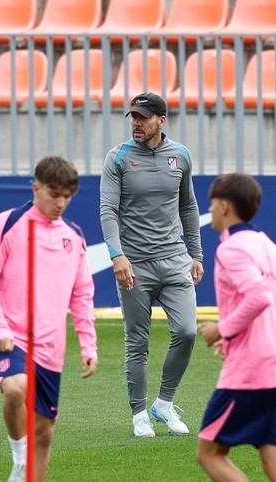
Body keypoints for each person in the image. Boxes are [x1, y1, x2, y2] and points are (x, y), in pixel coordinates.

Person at [0, 156, 99, 482]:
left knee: (43, 434)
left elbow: (82, 294)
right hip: (10, 336)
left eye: (67, 196)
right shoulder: (8, 223)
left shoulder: (73, 236)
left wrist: (89, 344)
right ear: (36, 188)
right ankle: (19, 458)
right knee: (16, 389)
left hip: (51, 347)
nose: (60, 203)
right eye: (53, 194)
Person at [100, 92, 204, 437]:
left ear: (162, 120)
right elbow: (108, 211)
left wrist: (197, 254)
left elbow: (188, 207)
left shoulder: (181, 155)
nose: (136, 123)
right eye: (133, 117)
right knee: (137, 342)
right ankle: (139, 413)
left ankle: (164, 403)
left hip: (175, 260)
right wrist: (117, 255)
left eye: (144, 117)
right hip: (134, 266)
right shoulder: (118, 158)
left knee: (188, 332)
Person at [197, 173, 276, 482]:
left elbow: (259, 296)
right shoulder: (273, 248)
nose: (211, 210)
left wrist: (223, 329)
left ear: (225, 206)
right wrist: (236, 333)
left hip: (253, 370)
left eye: (213, 203)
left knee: (210, 454)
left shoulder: (231, 249)